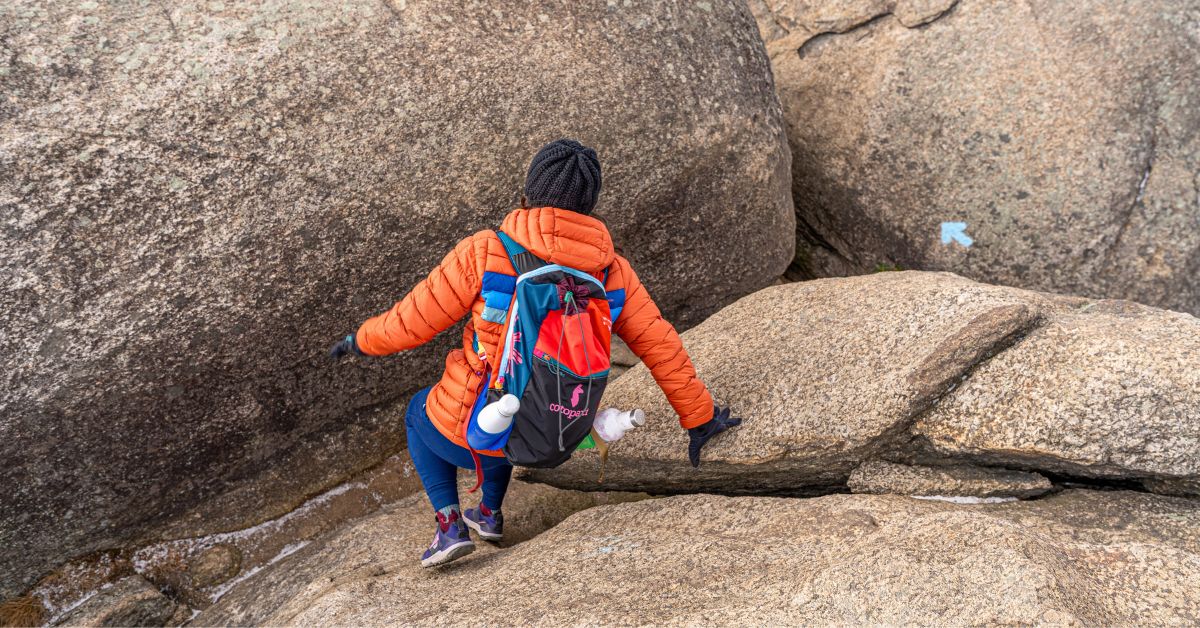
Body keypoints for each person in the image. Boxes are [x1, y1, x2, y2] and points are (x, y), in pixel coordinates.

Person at [330, 139, 742, 567]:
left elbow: (407, 324)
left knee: (419, 414)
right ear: (590, 204)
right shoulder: (613, 272)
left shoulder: (486, 251)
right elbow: (661, 345)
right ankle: (488, 514)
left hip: (471, 428)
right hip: (553, 430)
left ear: (527, 193)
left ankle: (449, 525)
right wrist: (700, 419)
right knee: (526, 398)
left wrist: (357, 341)